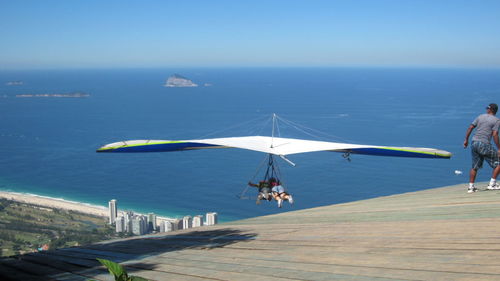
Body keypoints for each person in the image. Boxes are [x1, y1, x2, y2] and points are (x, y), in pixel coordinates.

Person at [463, 103, 500, 193]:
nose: (486, 109)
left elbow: (470, 127)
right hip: (484, 144)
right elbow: (495, 134)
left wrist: (466, 140)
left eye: (487, 108)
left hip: (474, 143)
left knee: (474, 167)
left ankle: (471, 187)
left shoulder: (480, 117)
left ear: (490, 110)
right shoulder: (496, 121)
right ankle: (492, 184)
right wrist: (499, 148)